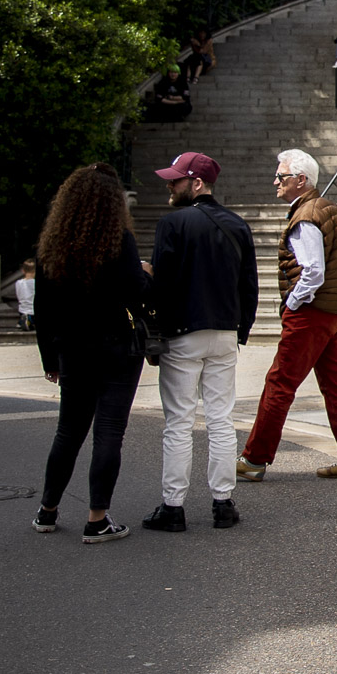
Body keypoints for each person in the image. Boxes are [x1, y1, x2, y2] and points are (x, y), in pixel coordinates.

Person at [32, 164, 151, 545]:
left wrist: (49, 358)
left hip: (71, 347)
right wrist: (145, 272)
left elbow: (42, 307)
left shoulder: (52, 244)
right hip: (115, 344)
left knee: (68, 431)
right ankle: (97, 518)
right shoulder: (119, 240)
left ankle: (48, 510)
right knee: (109, 433)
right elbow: (137, 292)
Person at [238, 149, 337, 483]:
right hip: (333, 310)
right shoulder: (328, 208)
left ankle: (254, 460)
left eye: (281, 176)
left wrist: (293, 303)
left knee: (279, 383)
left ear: (301, 180)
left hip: (311, 313)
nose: (276, 182)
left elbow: (312, 271)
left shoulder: (306, 215)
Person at [143, 153, 257, 534]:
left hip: (182, 333)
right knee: (221, 419)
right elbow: (249, 286)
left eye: (175, 180)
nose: (169, 186)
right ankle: (223, 502)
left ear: (195, 183)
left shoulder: (172, 224)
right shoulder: (237, 225)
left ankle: (173, 506)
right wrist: (241, 330)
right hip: (225, 331)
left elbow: (162, 286)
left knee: (179, 422)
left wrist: (156, 329)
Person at [12, 258, 37, 330]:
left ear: (23, 271)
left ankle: (23, 321)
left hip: (22, 310)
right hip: (33, 310)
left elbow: (19, 295)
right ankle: (29, 321)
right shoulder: (35, 283)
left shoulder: (18, 283)